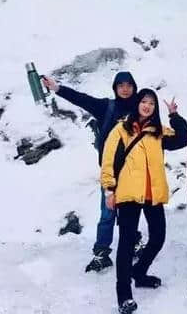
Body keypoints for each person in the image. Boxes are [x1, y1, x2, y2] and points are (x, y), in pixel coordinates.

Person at [42, 72, 143, 272]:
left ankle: (132, 244)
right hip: (110, 174)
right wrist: (57, 88)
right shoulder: (107, 107)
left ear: (134, 87)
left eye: (128, 85)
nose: (125, 89)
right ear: (115, 88)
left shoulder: (141, 110)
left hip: (133, 173)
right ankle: (101, 253)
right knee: (107, 214)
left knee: (129, 214)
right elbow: (81, 99)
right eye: (120, 85)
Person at [101, 88, 187, 314]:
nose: (147, 106)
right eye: (144, 101)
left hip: (152, 194)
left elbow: (183, 138)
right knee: (126, 243)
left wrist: (174, 116)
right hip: (129, 194)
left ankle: (139, 272)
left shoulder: (158, 132)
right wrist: (109, 191)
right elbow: (108, 161)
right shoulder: (121, 129)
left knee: (158, 237)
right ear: (137, 104)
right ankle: (124, 295)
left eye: (151, 103)